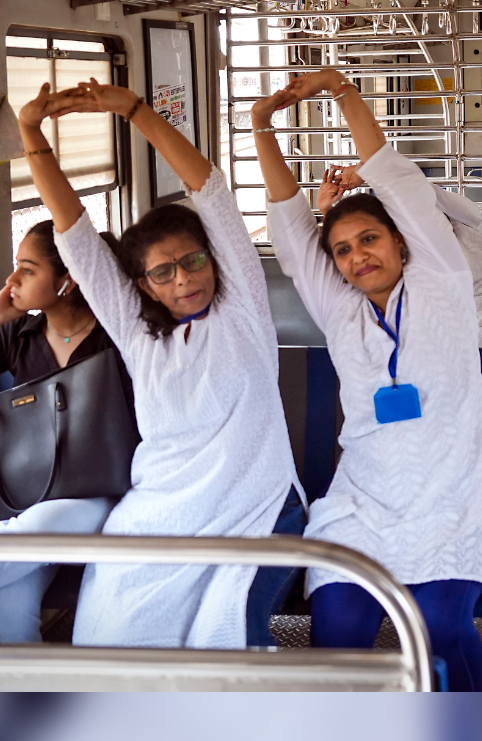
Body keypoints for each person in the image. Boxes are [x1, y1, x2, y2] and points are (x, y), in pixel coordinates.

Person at [251, 69, 482, 691]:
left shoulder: (441, 282)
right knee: (337, 629)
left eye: (370, 239)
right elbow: (293, 231)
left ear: (402, 242)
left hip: (454, 488)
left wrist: (341, 91)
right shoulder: (340, 306)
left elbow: (396, 179)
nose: (357, 257)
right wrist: (262, 126)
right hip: (365, 496)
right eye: (344, 249)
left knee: (437, 629)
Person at [17, 78, 304, 649]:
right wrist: (31, 134)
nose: (184, 278)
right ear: (143, 287)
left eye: (193, 260)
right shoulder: (136, 333)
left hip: (254, 508)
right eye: (163, 272)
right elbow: (73, 231)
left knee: (219, 636)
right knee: (110, 635)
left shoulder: (241, 309)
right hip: (161, 512)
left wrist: (136, 112)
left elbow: (211, 191)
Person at [318, 165, 482, 530]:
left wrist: (370, 173)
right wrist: (327, 213)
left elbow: (423, 190)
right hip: (449, 354)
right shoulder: (404, 257)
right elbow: (340, 273)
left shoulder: (473, 228)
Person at [0, 215, 130, 641]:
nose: (13, 278)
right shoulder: (20, 333)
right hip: (29, 493)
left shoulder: (118, 337)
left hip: (101, 495)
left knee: (23, 538)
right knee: (10, 617)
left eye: (28, 269)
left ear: (68, 280)